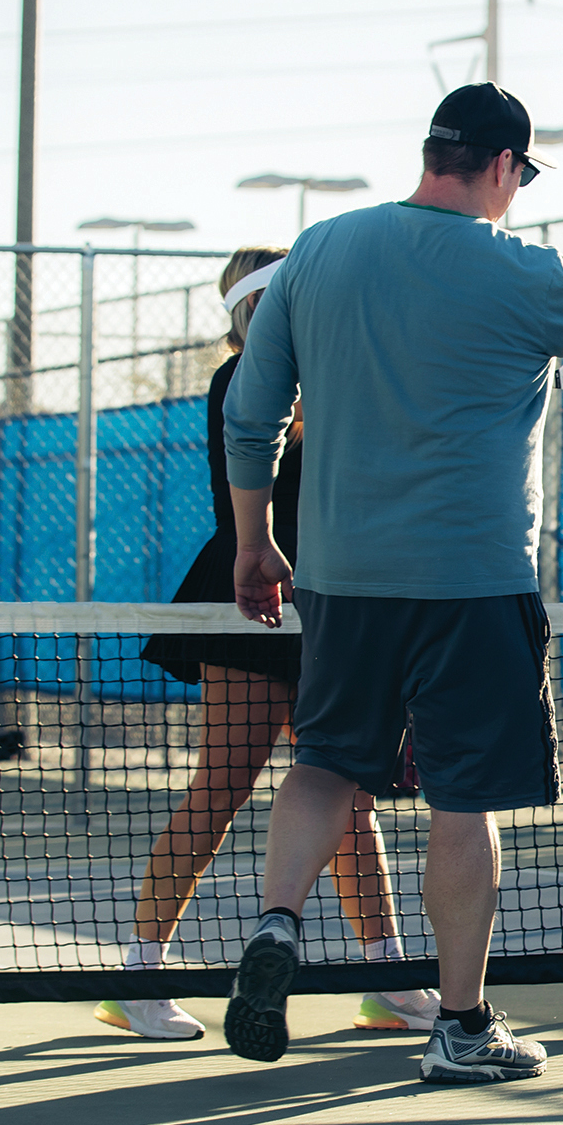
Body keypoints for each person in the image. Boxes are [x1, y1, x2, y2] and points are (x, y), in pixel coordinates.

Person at [220, 82, 563, 1083]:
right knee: (461, 806)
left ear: (434, 151)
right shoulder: (525, 269)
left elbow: (248, 417)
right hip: (473, 583)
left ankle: (277, 924)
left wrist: (257, 544)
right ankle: (462, 1029)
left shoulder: (318, 254)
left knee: (325, 767)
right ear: (505, 168)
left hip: (340, 581)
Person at [102, 248, 440, 1042]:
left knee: (351, 800)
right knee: (220, 790)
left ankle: (386, 979)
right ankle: (138, 975)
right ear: (261, 307)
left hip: (327, 610)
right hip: (254, 607)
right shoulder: (245, 378)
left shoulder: (328, 376)